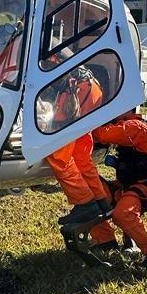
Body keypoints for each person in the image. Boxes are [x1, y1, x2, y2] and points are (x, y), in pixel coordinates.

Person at [88, 111, 147, 269]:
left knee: (123, 214)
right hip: (125, 185)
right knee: (89, 195)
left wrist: (82, 126)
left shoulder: (135, 127)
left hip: (142, 187)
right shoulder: (130, 125)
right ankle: (105, 241)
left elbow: (102, 135)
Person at [46, 64, 108, 225]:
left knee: (58, 155)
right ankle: (102, 202)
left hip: (73, 92)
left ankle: (85, 203)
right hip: (91, 88)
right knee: (81, 158)